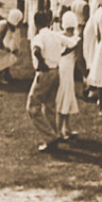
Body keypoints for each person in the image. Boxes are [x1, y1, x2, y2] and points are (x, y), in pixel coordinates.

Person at [28, 11, 80, 151]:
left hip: (45, 72)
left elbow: (37, 50)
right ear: (50, 23)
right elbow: (73, 43)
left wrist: (42, 63)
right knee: (50, 106)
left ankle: (50, 138)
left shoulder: (39, 37)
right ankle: (55, 134)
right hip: (56, 71)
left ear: (36, 24)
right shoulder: (56, 36)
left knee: (33, 107)